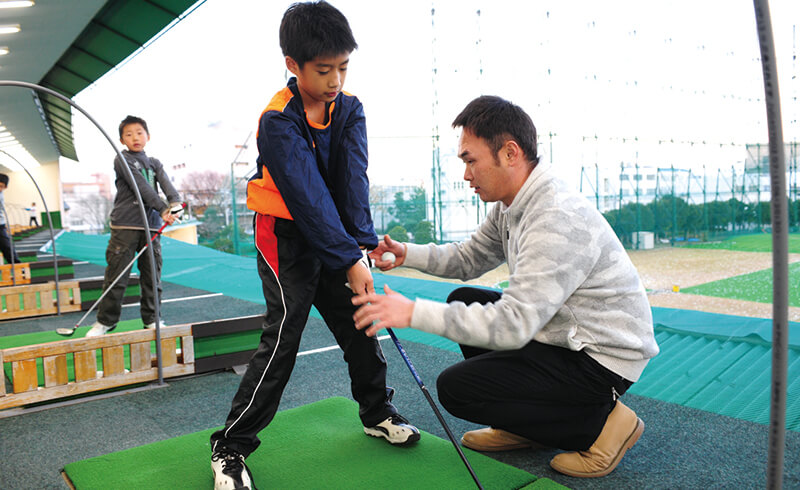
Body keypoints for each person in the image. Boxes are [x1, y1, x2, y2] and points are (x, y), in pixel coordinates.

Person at [353, 95, 659, 478]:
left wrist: (412, 312)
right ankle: (525, 426)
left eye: (470, 160)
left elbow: (512, 326)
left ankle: (604, 427)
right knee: (464, 299)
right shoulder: (512, 204)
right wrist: (406, 254)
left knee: (455, 390)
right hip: (565, 337)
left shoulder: (554, 216)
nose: (466, 175)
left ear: (510, 153)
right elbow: (469, 258)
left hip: (601, 358)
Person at [208, 2, 419, 489]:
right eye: (324, 70)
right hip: (284, 237)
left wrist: (360, 247)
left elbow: (352, 180)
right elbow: (307, 196)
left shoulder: (349, 108)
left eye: (343, 67)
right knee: (283, 336)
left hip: (335, 235)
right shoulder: (277, 120)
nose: (335, 81)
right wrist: (346, 257)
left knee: (359, 323)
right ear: (292, 65)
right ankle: (230, 447)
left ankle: (376, 412)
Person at [85, 115, 182, 337]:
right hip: (125, 227)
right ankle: (105, 322)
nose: (135, 137)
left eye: (139, 133)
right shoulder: (122, 159)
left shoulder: (155, 163)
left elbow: (166, 185)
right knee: (117, 276)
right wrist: (163, 208)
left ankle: (153, 319)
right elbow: (141, 188)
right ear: (122, 140)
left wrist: (175, 203)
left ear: (148, 136)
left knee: (152, 278)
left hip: (151, 228)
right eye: (128, 134)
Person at [0, 173, 20, 265]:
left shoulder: (1, 195)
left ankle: (18, 268)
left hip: (0, 225)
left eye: (1, 186)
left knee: (7, 247)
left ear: (5, 187)